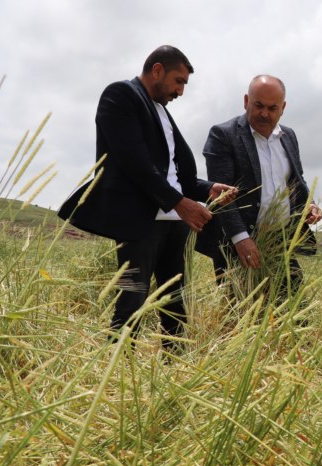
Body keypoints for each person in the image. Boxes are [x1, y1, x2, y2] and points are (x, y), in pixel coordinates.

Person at [58, 45, 237, 349]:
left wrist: (207, 188)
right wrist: (180, 203)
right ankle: (118, 376)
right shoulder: (120, 96)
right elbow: (132, 161)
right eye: (178, 81)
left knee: (176, 304)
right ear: (157, 70)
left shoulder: (163, 112)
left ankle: (174, 370)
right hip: (139, 224)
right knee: (131, 303)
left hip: (174, 224)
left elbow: (175, 174)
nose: (180, 91)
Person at [196, 74, 322, 302]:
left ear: (283, 107)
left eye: (272, 108)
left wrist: (310, 205)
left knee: (293, 313)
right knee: (239, 317)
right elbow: (221, 196)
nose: (265, 113)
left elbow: (295, 180)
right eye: (259, 105)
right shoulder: (223, 135)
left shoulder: (289, 136)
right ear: (246, 101)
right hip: (237, 247)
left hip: (280, 241)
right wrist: (241, 239)